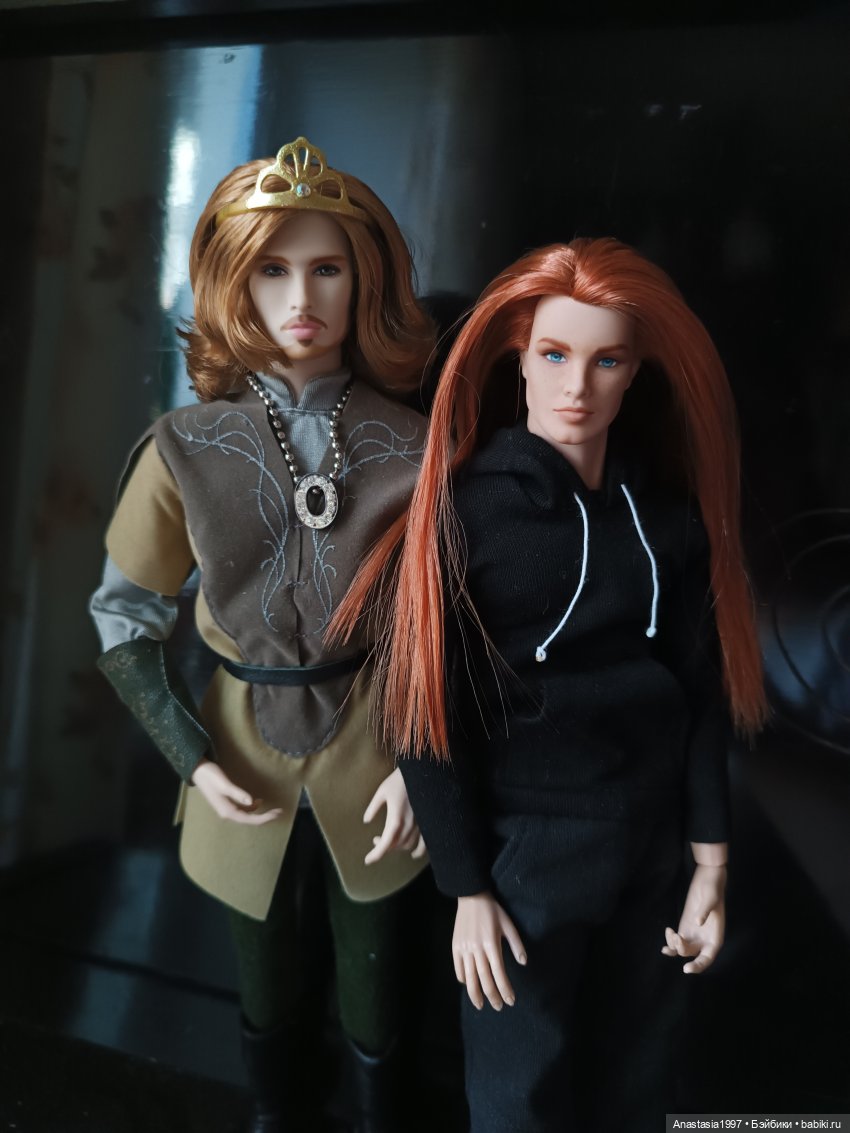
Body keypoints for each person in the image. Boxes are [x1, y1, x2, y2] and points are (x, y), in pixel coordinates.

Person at [331, 237, 767, 1132]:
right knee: (518, 1089)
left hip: (649, 844)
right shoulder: (469, 516)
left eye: (607, 361)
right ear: (517, 358)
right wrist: (467, 888)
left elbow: (700, 696)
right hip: (527, 847)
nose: (578, 387)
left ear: (635, 371)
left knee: (637, 1075)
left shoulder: (666, 523)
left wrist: (711, 860)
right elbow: (423, 714)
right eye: (555, 355)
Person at [90, 137, 435, 1133]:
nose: (301, 297)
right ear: (233, 282)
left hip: (378, 746)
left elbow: (447, 625)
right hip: (239, 746)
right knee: (263, 970)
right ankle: (277, 1110)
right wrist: (190, 757)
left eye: (327, 268)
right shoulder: (184, 445)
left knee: (376, 972)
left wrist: (422, 761)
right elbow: (124, 614)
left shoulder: (419, 444)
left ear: (364, 279)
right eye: (272, 270)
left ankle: (377, 1112)